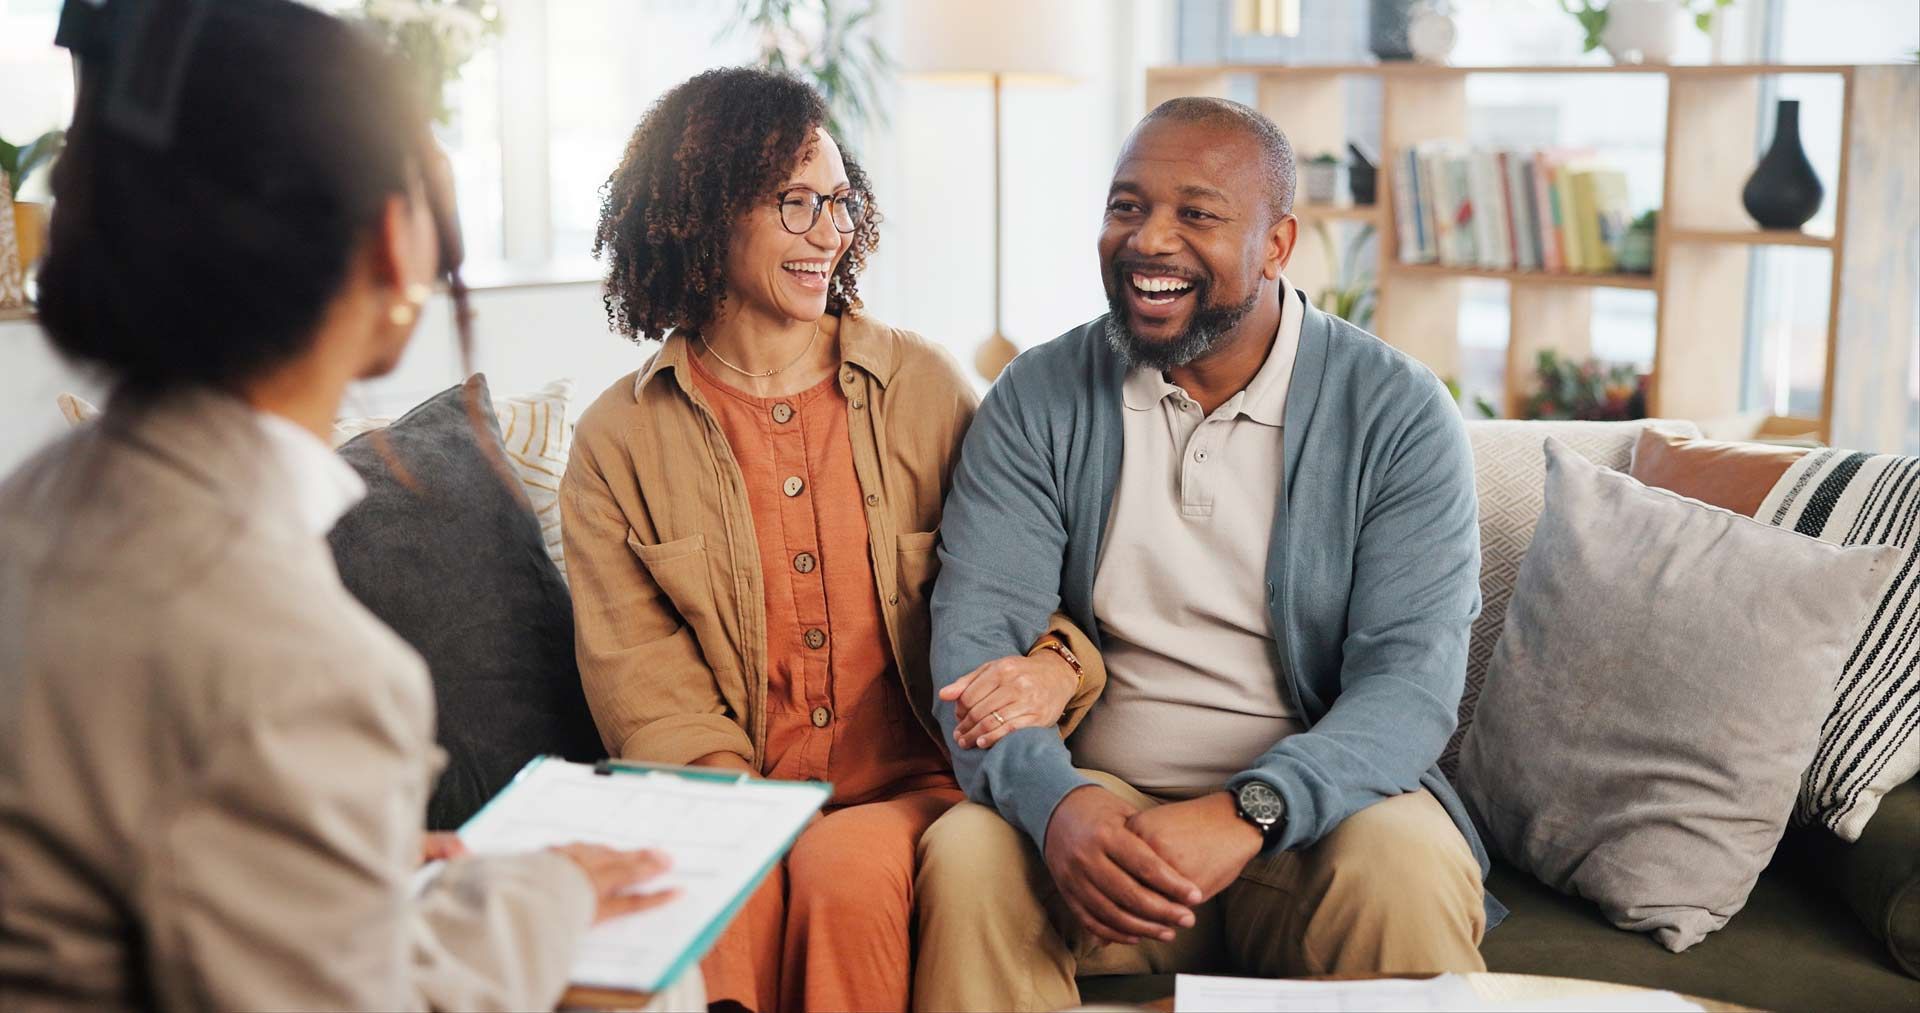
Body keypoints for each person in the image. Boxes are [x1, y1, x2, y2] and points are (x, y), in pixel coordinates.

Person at [0, 2, 679, 1009]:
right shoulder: (293, 661)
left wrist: (338, 850)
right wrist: (547, 890)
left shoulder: (39, 503)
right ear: (385, 242)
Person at [912, 97, 1503, 1012]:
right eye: (1126, 207)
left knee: (1407, 863)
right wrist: (1057, 802)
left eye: (1196, 213)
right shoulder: (1040, 395)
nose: (1149, 239)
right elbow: (978, 641)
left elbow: (1409, 686)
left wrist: (1248, 811)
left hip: (1319, 821)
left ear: (1277, 244)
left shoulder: (1396, 412)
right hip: (1101, 802)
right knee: (969, 854)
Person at [564, 67, 1104, 1013]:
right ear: (701, 213)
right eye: (796, 203)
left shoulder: (925, 388)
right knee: (707, 899)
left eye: (840, 201)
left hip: (917, 786)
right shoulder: (618, 439)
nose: (833, 231)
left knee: (844, 870)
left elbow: (1026, 586)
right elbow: (649, 696)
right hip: (726, 797)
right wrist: (744, 826)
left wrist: (1059, 662)